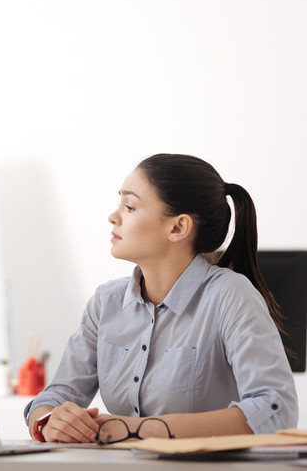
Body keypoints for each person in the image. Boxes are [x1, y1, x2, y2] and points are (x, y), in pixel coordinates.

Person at [25, 153, 297, 443]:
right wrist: (49, 419)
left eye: (129, 206)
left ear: (178, 227)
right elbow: (58, 395)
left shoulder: (231, 296)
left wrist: (139, 428)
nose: (113, 216)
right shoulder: (106, 302)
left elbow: (275, 408)